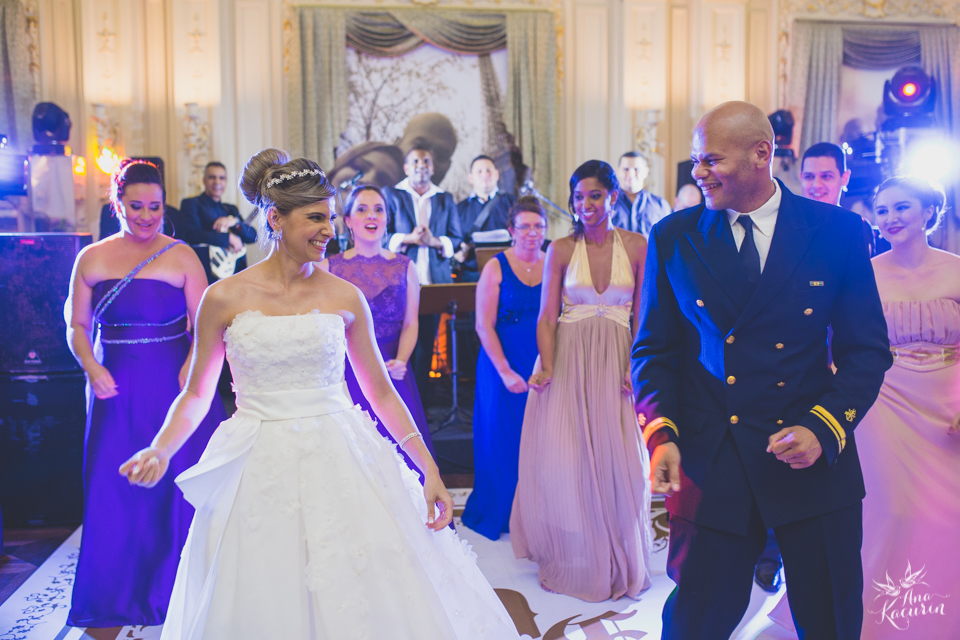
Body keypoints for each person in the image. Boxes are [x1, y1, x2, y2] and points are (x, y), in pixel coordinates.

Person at [119, 149, 521, 640]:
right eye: (315, 218)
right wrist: (161, 448)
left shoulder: (344, 295)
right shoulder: (222, 298)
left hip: (342, 452)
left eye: (330, 218)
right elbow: (196, 394)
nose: (329, 229)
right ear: (275, 219)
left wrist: (428, 468)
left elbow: (381, 392)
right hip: (257, 461)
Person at [632, 101, 892, 640]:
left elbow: (867, 351)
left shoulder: (838, 231)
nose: (698, 173)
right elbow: (654, 351)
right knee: (695, 622)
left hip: (809, 453)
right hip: (713, 458)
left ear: (761, 153)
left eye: (711, 160)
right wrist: (661, 434)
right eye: (696, 160)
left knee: (830, 618)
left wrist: (823, 427)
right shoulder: (674, 236)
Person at [767, 177, 960, 639]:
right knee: (889, 508)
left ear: (929, 212)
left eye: (902, 207)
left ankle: (934, 617)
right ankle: (872, 619)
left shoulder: (955, 270)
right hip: (883, 400)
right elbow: (841, 342)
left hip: (947, 404)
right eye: (883, 209)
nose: (890, 218)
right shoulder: (864, 271)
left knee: (947, 512)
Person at [65, 160, 224, 627]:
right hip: (114, 389)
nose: (147, 216)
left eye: (155, 207)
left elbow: (208, 326)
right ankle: (114, 596)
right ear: (117, 204)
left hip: (175, 387)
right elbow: (77, 326)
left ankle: (178, 596)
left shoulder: (182, 256)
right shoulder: (91, 258)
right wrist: (91, 365)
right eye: (136, 206)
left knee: (176, 487)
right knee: (114, 490)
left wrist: (193, 364)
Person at [510, 160, 652, 602]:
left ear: (613, 197)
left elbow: (644, 316)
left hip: (617, 361)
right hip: (568, 360)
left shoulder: (638, 245)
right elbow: (546, 317)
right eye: (578, 197)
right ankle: (576, 556)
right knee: (569, 459)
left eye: (595, 195)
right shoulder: (560, 249)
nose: (586, 204)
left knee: (623, 461)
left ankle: (617, 556)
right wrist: (548, 367)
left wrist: (634, 367)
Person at [320, 185, 437, 480]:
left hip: (393, 370)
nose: (371, 215)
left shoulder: (405, 266)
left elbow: (411, 323)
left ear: (387, 219)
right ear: (348, 220)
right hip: (345, 373)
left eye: (378, 209)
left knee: (402, 456)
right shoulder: (328, 268)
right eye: (362, 209)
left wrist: (402, 360)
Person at [461, 196, 546, 540]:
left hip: (540, 363)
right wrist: (506, 371)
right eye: (524, 226)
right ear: (511, 229)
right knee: (500, 440)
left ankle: (536, 515)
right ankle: (500, 512)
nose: (532, 233)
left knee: (540, 441)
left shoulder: (554, 263)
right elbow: (483, 325)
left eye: (538, 226)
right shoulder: (496, 267)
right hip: (500, 364)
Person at [385, 147, 463, 394]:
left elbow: (457, 238)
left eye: (426, 161)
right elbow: (381, 235)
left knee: (426, 343)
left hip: (432, 282)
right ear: (406, 168)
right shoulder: (392, 195)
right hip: (398, 282)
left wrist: (434, 241)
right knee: (398, 342)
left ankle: (421, 401)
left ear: (433, 167)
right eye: (416, 161)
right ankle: (397, 396)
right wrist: (408, 238)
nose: (421, 165)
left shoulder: (445, 198)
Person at [178, 162, 258, 284]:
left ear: (226, 182)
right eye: (212, 177)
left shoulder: (231, 209)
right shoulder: (191, 203)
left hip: (237, 274)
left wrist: (236, 223)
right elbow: (191, 235)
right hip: (208, 274)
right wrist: (228, 238)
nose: (217, 182)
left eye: (222, 178)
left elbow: (252, 236)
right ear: (204, 180)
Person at [800, 142, 878, 255]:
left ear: (845, 178)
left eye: (826, 176)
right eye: (809, 176)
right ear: (801, 177)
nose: (816, 185)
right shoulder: (785, 224)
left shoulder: (857, 227)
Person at [453, 155, 516, 283]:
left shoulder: (513, 203)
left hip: (508, 272)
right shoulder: (460, 209)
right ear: (471, 178)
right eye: (479, 171)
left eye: (488, 170)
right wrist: (459, 252)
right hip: (471, 275)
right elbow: (454, 239)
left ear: (496, 174)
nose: (485, 175)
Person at [611, 151, 671, 237]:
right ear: (618, 171)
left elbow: (668, 236)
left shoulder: (661, 205)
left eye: (636, 169)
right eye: (626, 169)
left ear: (646, 171)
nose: (631, 174)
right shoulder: (607, 203)